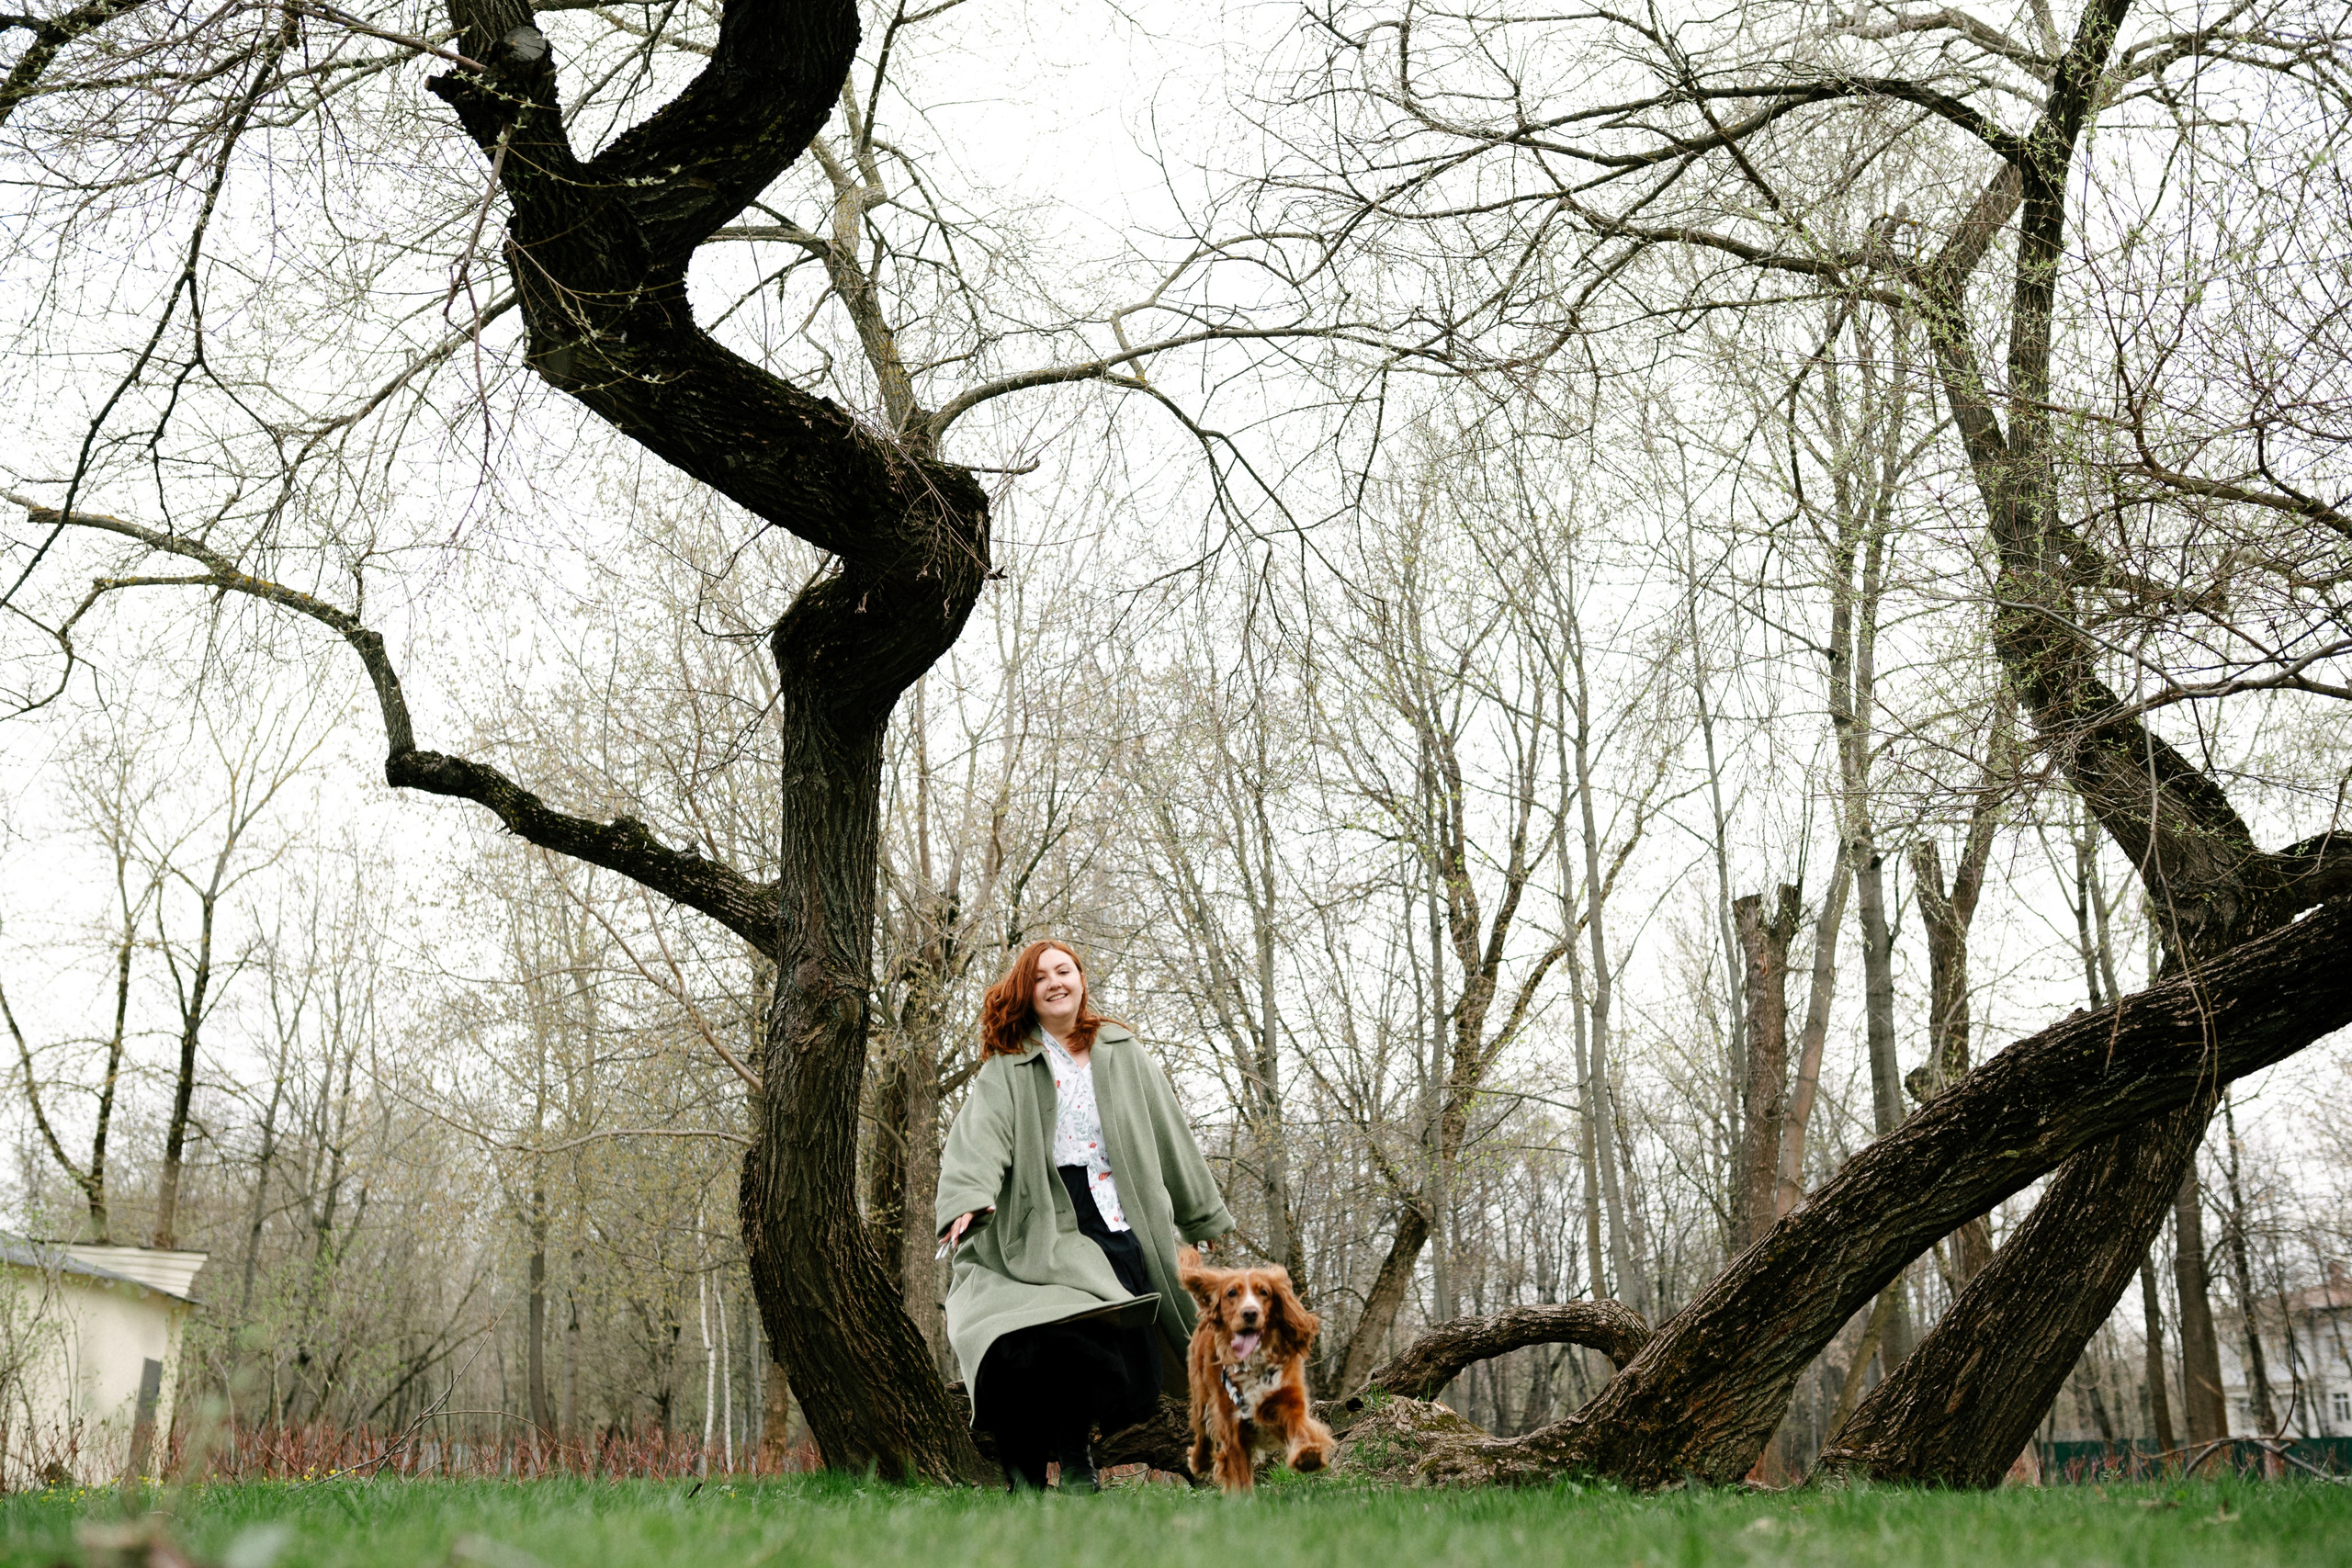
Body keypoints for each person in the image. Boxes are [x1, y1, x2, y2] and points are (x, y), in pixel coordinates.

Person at [935, 940, 1236, 1492]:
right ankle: (1036, 1473)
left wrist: (1201, 1217)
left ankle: (1077, 1452)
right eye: (1040, 977)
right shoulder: (1010, 1066)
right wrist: (969, 1198)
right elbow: (981, 1136)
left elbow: (1170, 1132)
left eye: (1064, 971)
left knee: (1113, 1356)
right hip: (1042, 1220)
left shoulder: (1121, 1049)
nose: (1054, 982)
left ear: (1080, 979)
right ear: (1026, 992)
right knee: (1035, 1341)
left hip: (1118, 1216)